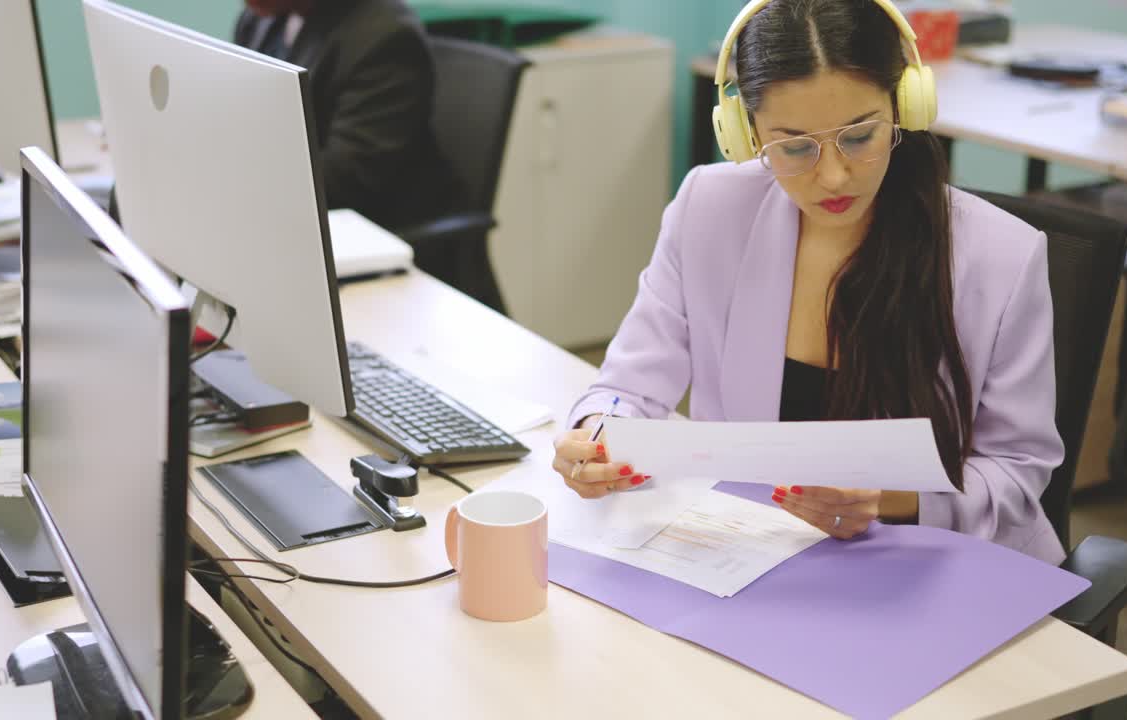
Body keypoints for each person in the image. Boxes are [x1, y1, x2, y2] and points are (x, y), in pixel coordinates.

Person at [550, 0, 1067, 565]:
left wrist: (891, 498)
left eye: (860, 136)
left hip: (941, 563)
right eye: (794, 147)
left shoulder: (1002, 255)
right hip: (753, 555)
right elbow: (629, 387)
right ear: (745, 135)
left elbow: (1018, 474)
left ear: (906, 107)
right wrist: (599, 434)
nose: (834, 175)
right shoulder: (708, 209)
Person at [233, 0, 455, 228]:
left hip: (370, 232)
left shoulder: (385, 36)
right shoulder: (260, 19)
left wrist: (240, 189)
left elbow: (343, 181)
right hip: (289, 212)